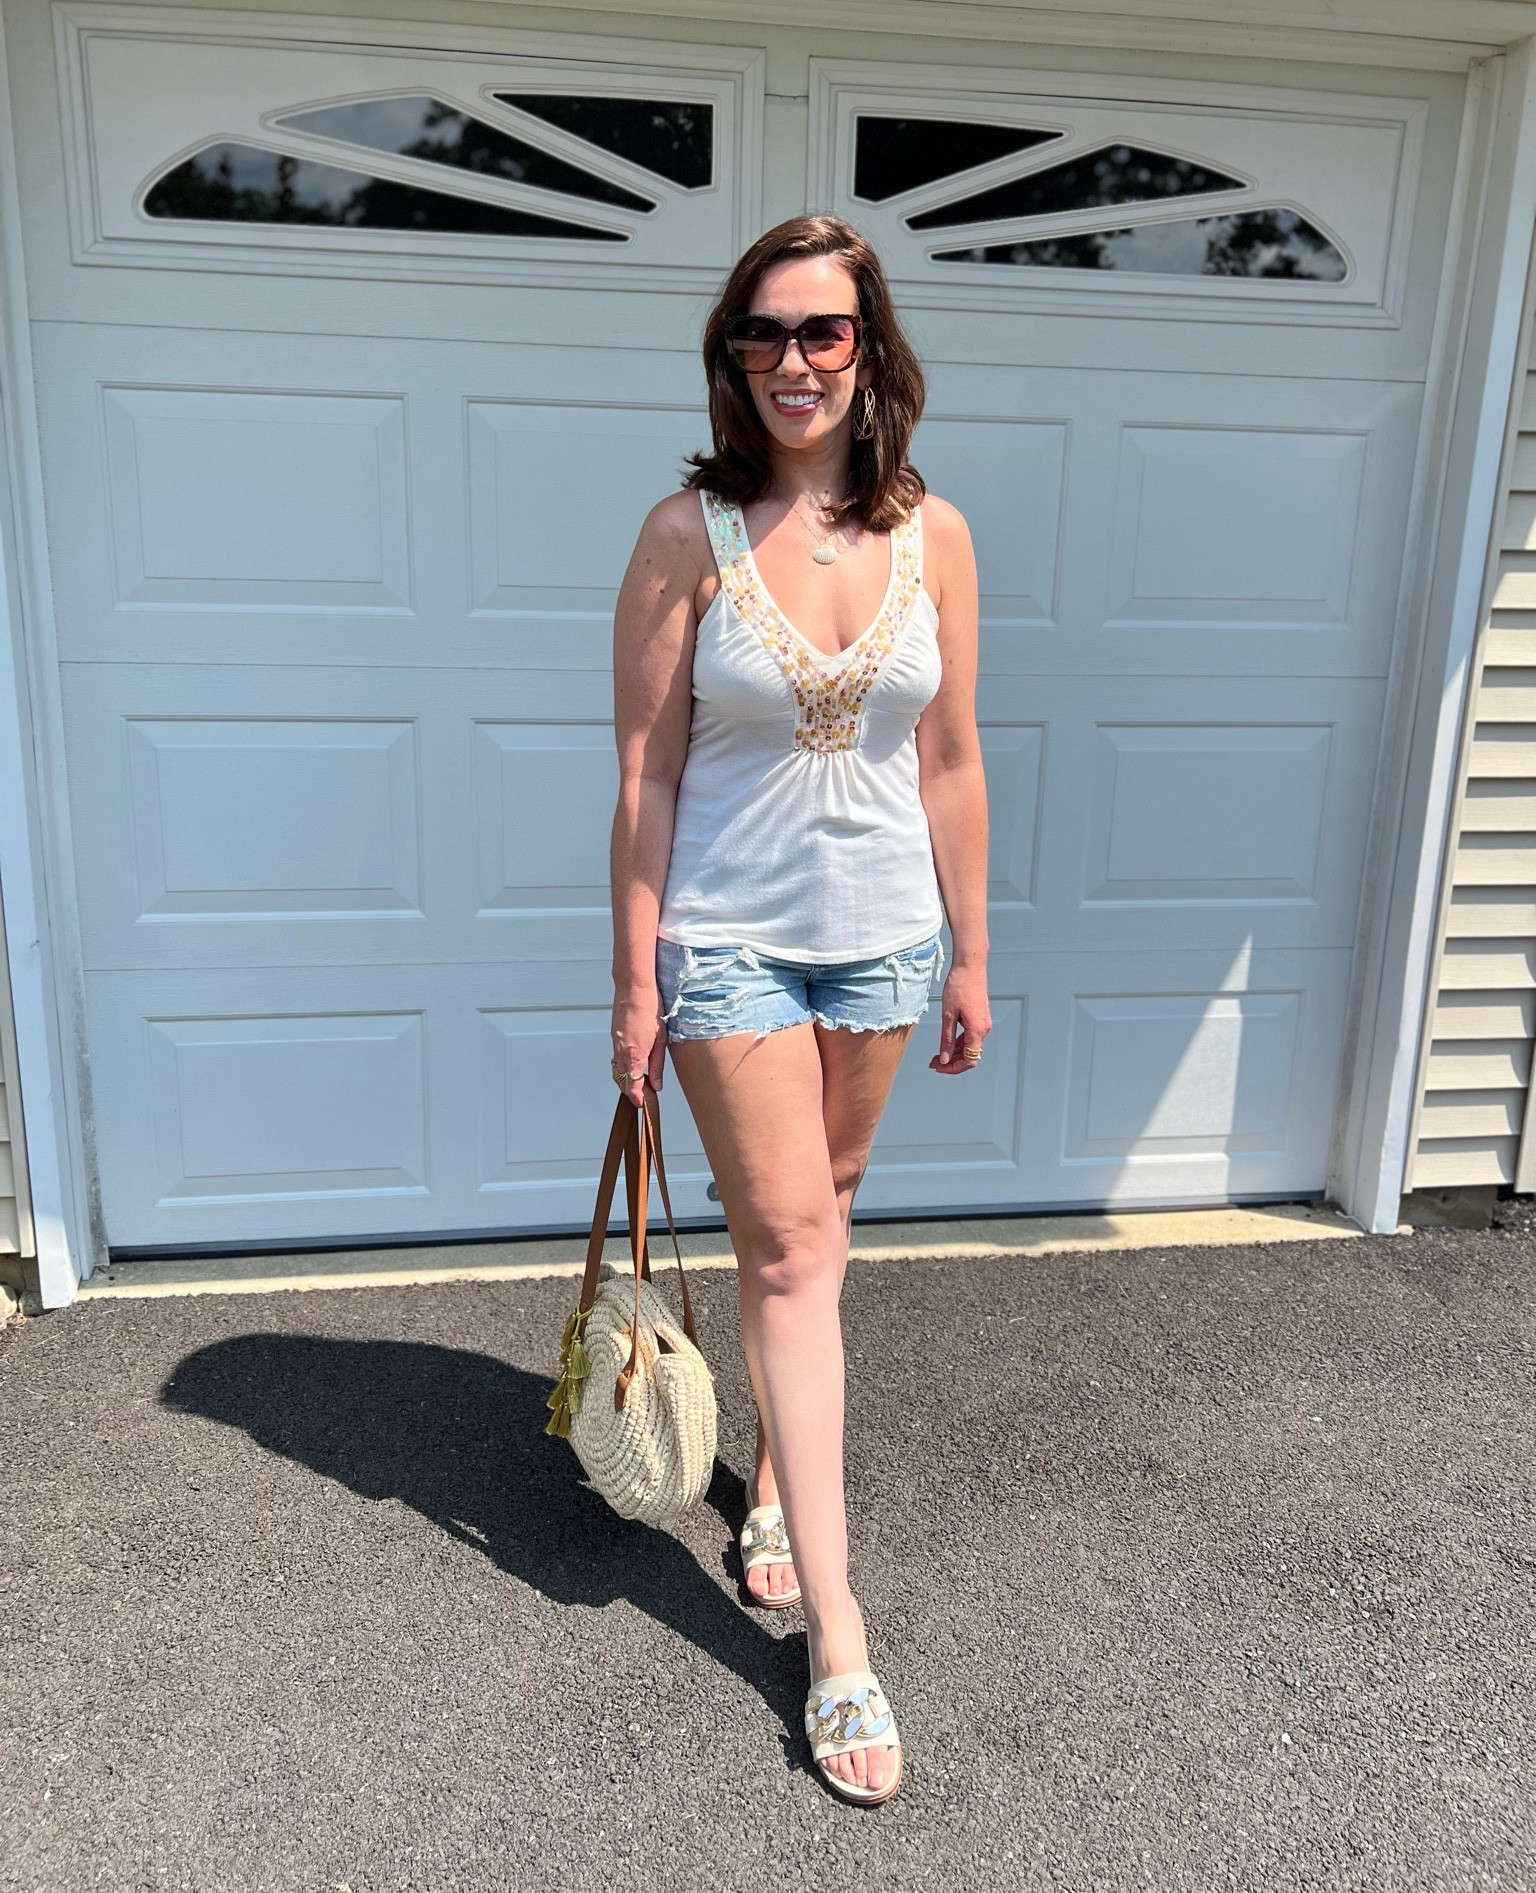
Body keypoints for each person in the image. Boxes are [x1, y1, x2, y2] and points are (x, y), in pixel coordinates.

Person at [607, 212, 990, 1806]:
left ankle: (777, 1485)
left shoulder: (937, 538)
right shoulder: (684, 534)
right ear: (731, 354)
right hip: (734, 949)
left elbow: (951, 758)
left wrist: (971, 949)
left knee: (822, 1219)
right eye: (763, 334)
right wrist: (633, 975)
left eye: (822, 332)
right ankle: (837, 1628)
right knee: (789, 1243)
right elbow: (646, 773)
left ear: (870, 348)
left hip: (888, 942)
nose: (792, 361)